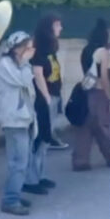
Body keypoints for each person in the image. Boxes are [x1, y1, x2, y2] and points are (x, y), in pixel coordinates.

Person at [0, 31, 46, 216]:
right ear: (19, 47)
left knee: (19, 161)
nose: (32, 50)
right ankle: (10, 200)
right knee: (19, 162)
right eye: (29, 46)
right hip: (14, 121)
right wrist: (26, 63)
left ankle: (14, 194)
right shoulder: (5, 64)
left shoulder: (19, 65)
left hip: (23, 119)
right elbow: (23, 80)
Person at [72, 18, 110, 171]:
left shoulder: (86, 50)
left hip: (86, 90)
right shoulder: (103, 52)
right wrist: (109, 96)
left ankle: (80, 160)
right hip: (99, 91)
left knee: (86, 126)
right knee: (103, 125)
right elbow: (104, 76)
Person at [32, 14, 69, 154]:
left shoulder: (51, 49)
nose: (61, 28)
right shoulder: (40, 50)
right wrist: (46, 96)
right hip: (45, 98)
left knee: (45, 139)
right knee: (42, 137)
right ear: (49, 28)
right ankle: (36, 173)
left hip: (54, 94)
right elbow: (37, 73)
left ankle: (40, 173)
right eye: (57, 25)